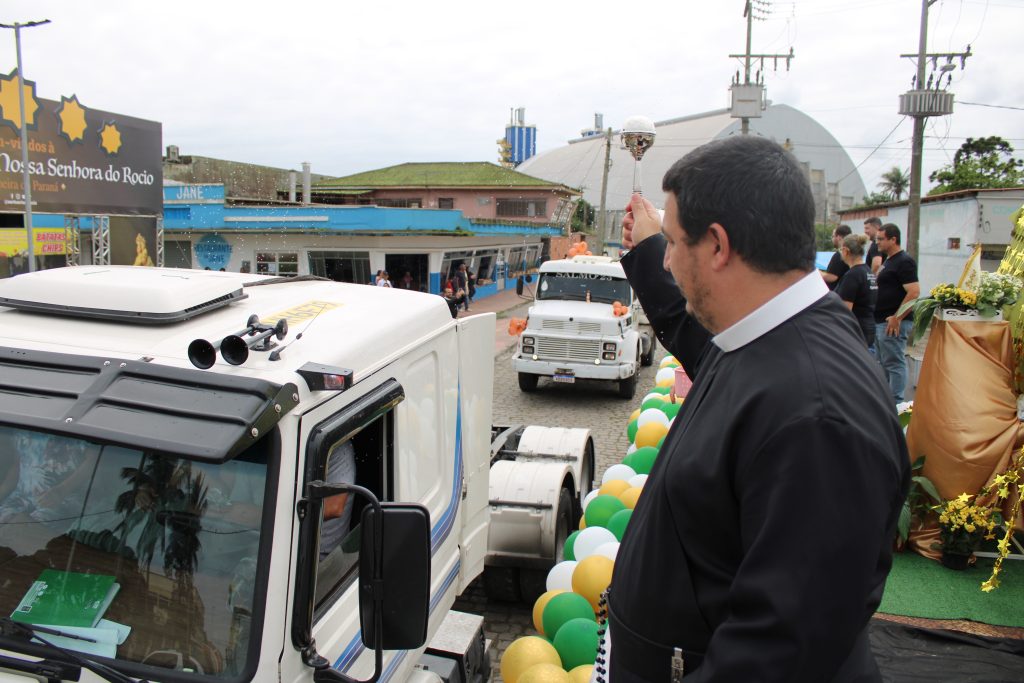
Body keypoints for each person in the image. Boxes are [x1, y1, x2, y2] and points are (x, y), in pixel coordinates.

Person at [606, 136, 908, 682]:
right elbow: (701, 339)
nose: (669, 262)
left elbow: (778, 652)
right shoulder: (765, 337)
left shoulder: (816, 416)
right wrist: (651, 251)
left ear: (718, 245)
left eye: (674, 244)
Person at [873, 223, 920, 403]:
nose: (877, 243)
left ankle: (897, 403)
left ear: (893, 239)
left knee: (894, 363)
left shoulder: (904, 261)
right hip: (880, 320)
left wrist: (897, 317)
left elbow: (914, 292)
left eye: (881, 239)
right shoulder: (889, 260)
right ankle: (885, 400)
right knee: (883, 363)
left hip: (892, 322)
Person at [835, 233, 878, 349]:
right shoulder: (868, 272)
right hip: (868, 327)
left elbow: (845, 310)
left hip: (856, 330)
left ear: (845, 250)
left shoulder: (853, 275)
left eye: (840, 249)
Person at [819, 224, 852, 290]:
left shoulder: (840, 255)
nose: (832, 239)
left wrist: (816, 272)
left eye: (833, 236)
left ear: (839, 237)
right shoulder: (851, 253)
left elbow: (832, 277)